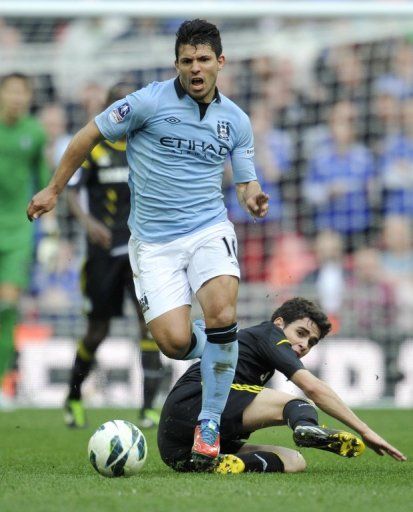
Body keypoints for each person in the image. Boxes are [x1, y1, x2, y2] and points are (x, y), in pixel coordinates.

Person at [26, 19, 269, 467]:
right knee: (174, 344)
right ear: (176, 63)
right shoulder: (146, 102)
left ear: (221, 62)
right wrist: (54, 190)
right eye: (186, 60)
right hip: (154, 243)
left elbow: (246, 182)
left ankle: (209, 423)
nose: (195, 68)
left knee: (222, 313)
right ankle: (232, 350)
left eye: (203, 59)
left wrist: (252, 197)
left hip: (208, 229)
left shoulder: (235, 120)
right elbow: (87, 136)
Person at [157, 297, 407, 474]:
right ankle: (305, 428)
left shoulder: (259, 347)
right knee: (298, 405)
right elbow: (313, 388)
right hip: (193, 404)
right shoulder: (269, 333)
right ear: (279, 323)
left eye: (311, 342)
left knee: (293, 461)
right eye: (300, 333)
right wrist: (365, 430)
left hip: (177, 450)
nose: (304, 345)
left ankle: (229, 464)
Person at [63, 83, 164, 429]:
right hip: (103, 254)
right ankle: (74, 397)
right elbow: (72, 193)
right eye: (116, 104)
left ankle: (149, 409)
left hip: (141, 253)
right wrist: (89, 223)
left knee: (148, 327)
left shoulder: (146, 146)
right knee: (97, 331)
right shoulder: (95, 149)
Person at [0, 72, 49, 408]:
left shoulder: (35, 133)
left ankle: (2, 381)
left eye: (23, 92)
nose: (17, 98)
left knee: (7, 305)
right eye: (11, 91)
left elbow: (46, 183)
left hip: (17, 230)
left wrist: (53, 232)